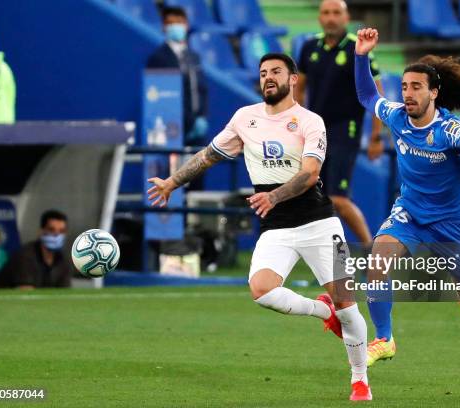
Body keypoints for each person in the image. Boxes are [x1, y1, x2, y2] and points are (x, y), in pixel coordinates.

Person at [148, 53, 373, 401]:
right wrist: (171, 183)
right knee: (262, 291)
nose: (268, 77)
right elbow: (209, 155)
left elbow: (310, 173)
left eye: (276, 72)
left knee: (348, 304)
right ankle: (321, 310)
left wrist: (275, 196)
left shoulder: (310, 121)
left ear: (293, 79)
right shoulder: (245, 119)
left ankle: (360, 379)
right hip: (277, 228)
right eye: (263, 73)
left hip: (320, 223)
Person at [354, 28, 460, 367]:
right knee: (378, 260)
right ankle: (384, 339)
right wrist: (360, 56)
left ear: (434, 92)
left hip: (452, 221)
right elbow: (367, 98)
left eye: (416, 87)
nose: (408, 94)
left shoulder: (449, 129)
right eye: (404, 87)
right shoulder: (397, 116)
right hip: (411, 213)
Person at [295, 0, 384, 245]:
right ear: (320, 18)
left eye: (336, 13)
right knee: (319, 199)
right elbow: (299, 89)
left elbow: (377, 94)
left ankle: (370, 248)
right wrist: (296, 124)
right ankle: (332, 260)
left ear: (346, 18)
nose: (331, 18)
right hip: (316, 133)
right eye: (326, 13)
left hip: (346, 130)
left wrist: (376, 136)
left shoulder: (358, 48)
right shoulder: (309, 47)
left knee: (338, 198)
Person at [147, 6, 207, 144]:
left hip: (197, 130)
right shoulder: (158, 58)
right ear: (164, 27)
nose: (176, 27)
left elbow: (202, 89)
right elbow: (161, 96)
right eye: (171, 23)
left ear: (186, 26)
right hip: (172, 128)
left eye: (179, 22)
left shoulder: (194, 57)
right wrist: (188, 121)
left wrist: (202, 116)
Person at [0, 210, 74, 289]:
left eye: (61, 231)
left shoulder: (64, 260)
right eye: (51, 230)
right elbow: (26, 292)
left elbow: (63, 292)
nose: (56, 235)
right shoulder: (25, 256)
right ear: (41, 231)